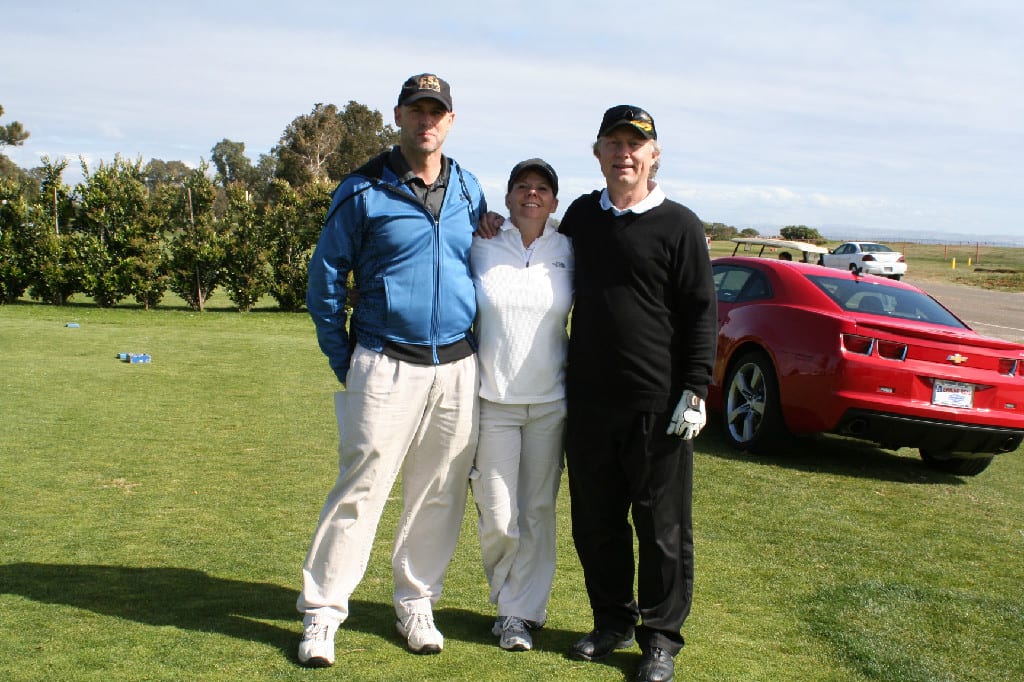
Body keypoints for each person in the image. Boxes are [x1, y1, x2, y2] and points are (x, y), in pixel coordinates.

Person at [297, 73, 488, 667]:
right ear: (399, 116)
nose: (426, 121)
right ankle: (323, 614)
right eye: (416, 110)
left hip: (457, 364)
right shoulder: (361, 190)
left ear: (450, 121)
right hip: (383, 362)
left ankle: (415, 601)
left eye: (437, 112)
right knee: (360, 491)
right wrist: (347, 357)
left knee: (438, 493)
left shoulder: (469, 188)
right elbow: (325, 281)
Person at [558, 105, 717, 682]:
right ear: (597, 153)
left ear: (654, 155)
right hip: (588, 400)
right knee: (595, 522)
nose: (624, 153)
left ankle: (660, 639)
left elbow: (702, 313)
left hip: (658, 404)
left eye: (636, 144)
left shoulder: (680, 224)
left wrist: (695, 388)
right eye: (614, 143)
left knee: (662, 528)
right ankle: (612, 622)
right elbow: (542, 257)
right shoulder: (580, 216)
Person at [469, 158, 573, 652]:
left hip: (551, 403)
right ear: (507, 197)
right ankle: (508, 597)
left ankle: (519, 613)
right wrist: (481, 220)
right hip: (494, 401)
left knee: (537, 513)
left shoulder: (569, 248)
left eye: (542, 189)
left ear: (554, 201)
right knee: (496, 513)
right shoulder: (483, 242)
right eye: (522, 187)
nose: (532, 195)